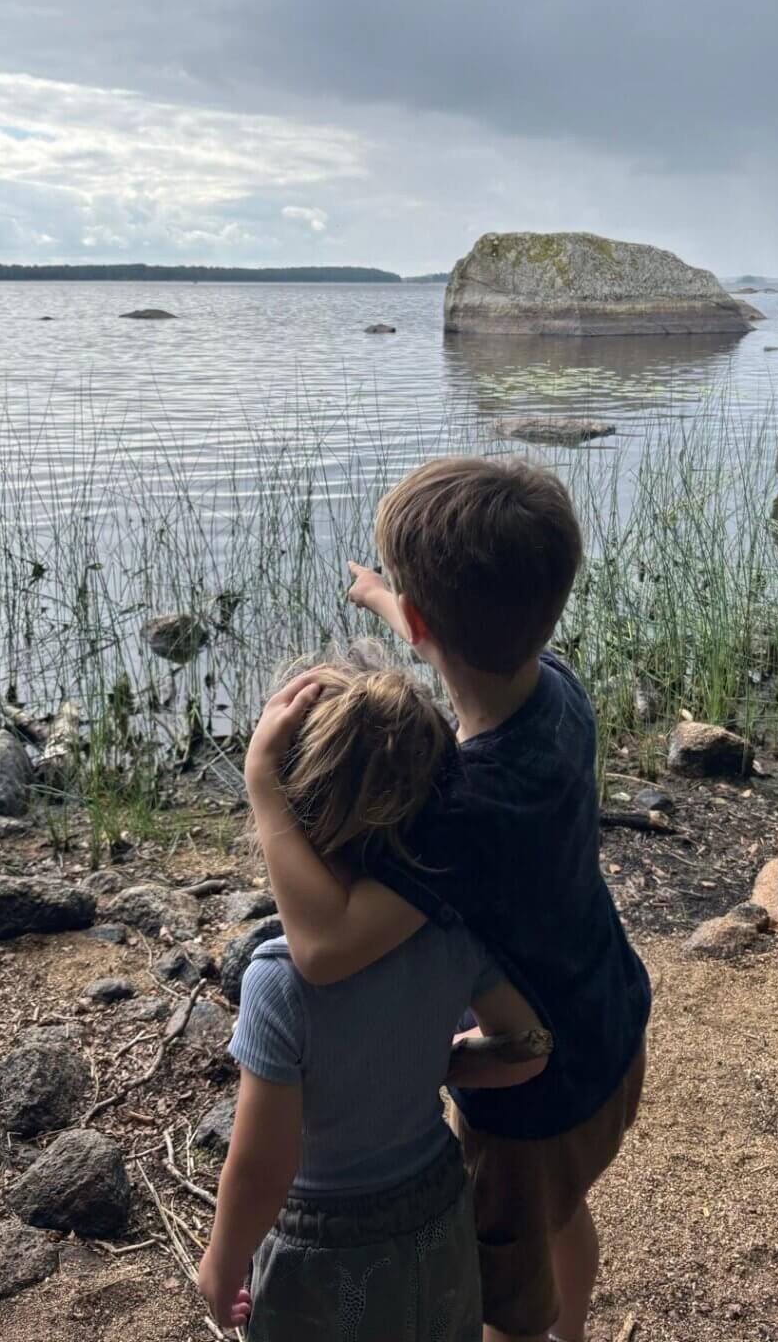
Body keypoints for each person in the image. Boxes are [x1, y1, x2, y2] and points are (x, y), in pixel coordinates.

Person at [251, 457, 652, 1342]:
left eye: (407, 605)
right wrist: (385, 602)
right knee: (561, 1213)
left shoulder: (461, 811)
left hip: (530, 1101)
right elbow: (465, 637)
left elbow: (323, 946)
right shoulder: (558, 688)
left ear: (429, 626)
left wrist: (264, 787)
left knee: (508, 1281)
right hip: (613, 1024)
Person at [197, 647, 552, 1340]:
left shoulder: (278, 981)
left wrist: (221, 1261)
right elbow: (529, 1048)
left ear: (294, 814)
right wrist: (440, 1059)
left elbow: (265, 1165)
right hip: (436, 1213)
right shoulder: (449, 934)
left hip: (329, 1247)